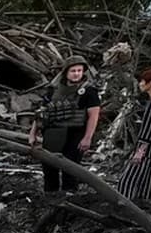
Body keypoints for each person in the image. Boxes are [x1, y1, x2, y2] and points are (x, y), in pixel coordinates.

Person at [31, 55, 101, 192]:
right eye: (73, 71)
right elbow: (41, 113)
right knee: (49, 168)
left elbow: (93, 116)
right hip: (52, 133)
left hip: (75, 135)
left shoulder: (89, 91)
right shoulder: (53, 90)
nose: (76, 74)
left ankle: (70, 199)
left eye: (79, 71)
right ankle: (50, 198)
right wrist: (33, 133)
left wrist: (87, 138)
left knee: (70, 169)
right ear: (66, 72)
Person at [118, 67, 151, 207]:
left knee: (127, 182)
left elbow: (149, 130)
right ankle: (149, 210)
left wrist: (139, 152)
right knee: (149, 185)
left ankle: (124, 208)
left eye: (142, 81)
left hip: (147, 151)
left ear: (150, 83)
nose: (140, 84)